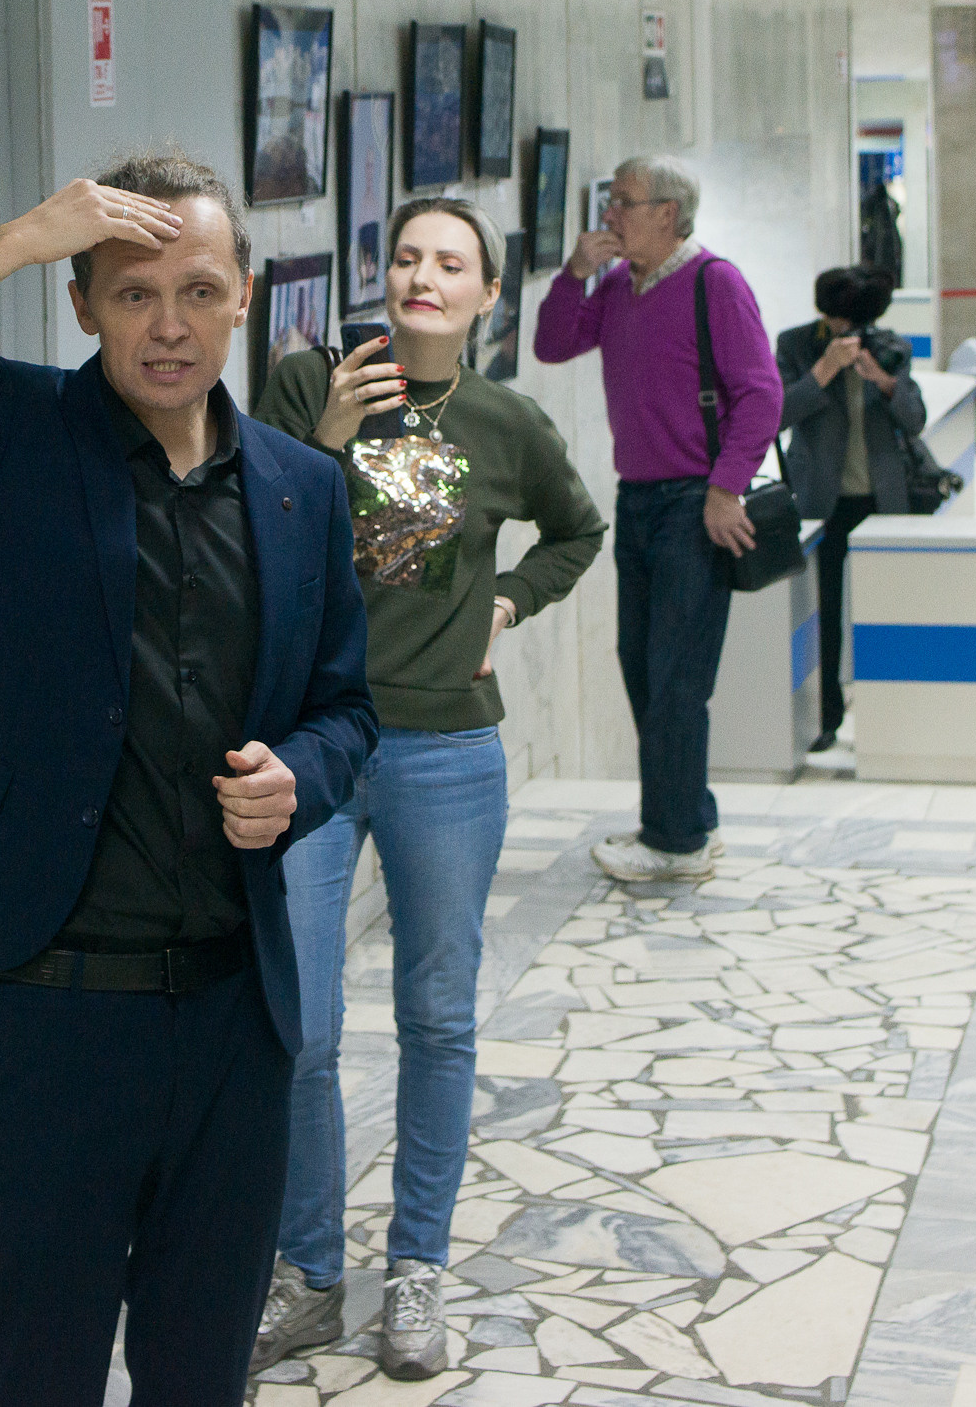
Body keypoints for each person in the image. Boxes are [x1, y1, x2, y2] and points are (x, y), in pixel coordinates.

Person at [0, 154, 377, 1405]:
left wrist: (302, 777)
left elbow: (345, 704)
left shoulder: (300, 485)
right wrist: (11, 240)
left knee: (199, 1372)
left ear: (246, 296)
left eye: (199, 290)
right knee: (33, 1373)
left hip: (232, 1019)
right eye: (133, 292)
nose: (169, 325)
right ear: (83, 305)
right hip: (49, 1012)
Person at [247, 197, 604, 1375]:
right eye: (405, 256)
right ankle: (307, 1273)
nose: (422, 275)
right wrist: (334, 437)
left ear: (486, 296)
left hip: (446, 747)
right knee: (298, 1020)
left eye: (451, 262)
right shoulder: (310, 383)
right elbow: (254, 526)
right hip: (311, 742)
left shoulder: (506, 421)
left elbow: (573, 530)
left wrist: (509, 600)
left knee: (437, 1017)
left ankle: (416, 1268)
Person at [532, 154, 780, 884]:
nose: (610, 214)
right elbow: (551, 342)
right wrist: (574, 272)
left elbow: (761, 395)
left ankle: (674, 840)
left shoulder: (716, 282)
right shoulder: (616, 286)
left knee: (676, 675)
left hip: (691, 504)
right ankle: (687, 817)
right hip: (637, 499)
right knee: (642, 666)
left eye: (623, 202)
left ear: (667, 214)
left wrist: (724, 487)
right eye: (610, 201)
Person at [777, 266, 923, 752]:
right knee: (825, 611)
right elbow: (776, 414)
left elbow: (914, 418)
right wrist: (825, 370)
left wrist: (880, 378)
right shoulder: (797, 345)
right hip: (823, 499)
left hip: (881, 497)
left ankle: (893, 721)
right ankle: (826, 717)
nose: (845, 332)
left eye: (852, 324)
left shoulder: (890, 347)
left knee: (889, 609)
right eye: (838, 322)